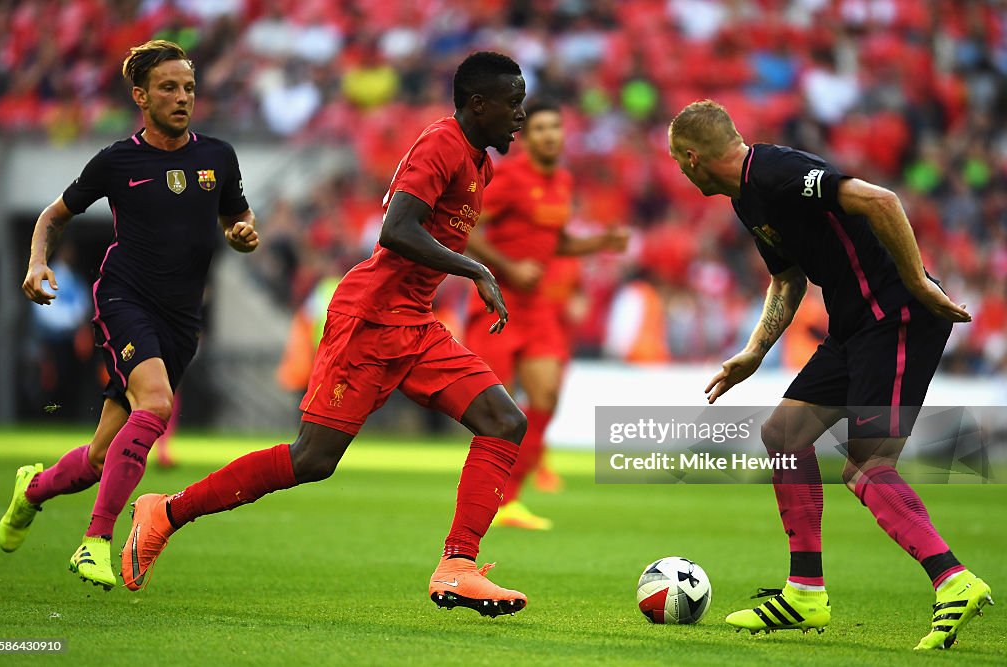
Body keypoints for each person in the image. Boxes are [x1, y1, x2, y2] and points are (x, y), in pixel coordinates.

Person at [123, 52, 530, 617]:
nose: (521, 113)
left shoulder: (477, 161)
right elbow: (397, 230)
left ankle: (458, 565)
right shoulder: (441, 144)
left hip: (415, 322)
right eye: (513, 102)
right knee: (312, 459)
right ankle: (166, 512)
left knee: (505, 421)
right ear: (478, 104)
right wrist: (477, 270)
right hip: (370, 319)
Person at [666, 100, 991, 650]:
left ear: (693, 158)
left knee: (867, 465)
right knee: (784, 435)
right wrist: (753, 352)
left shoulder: (779, 173)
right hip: (853, 327)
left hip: (896, 316)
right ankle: (804, 592)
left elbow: (879, 199)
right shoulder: (747, 200)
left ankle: (953, 580)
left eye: (678, 162)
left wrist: (915, 281)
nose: (679, 171)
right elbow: (789, 280)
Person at [0, 40, 258, 591]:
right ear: (140, 96)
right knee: (158, 404)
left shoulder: (218, 156)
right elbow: (53, 215)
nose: (182, 97)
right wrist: (37, 261)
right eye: (168, 87)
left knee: (99, 456)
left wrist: (242, 235)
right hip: (124, 297)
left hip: (181, 318)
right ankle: (95, 540)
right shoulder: (118, 161)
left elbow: (239, 220)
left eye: (188, 87)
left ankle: (33, 489)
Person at [464, 99, 628, 530]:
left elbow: (552, 240)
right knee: (497, 409)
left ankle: (510, 499)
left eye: (555, 126)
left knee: (546, 398)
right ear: (526, 137)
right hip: (496, 302)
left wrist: (599, 244)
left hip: (536, 308)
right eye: (540, 129)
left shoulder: (563, 182)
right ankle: (484, 502)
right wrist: (509, 266)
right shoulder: (510, 178)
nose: (550, 135)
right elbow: (469, 227)